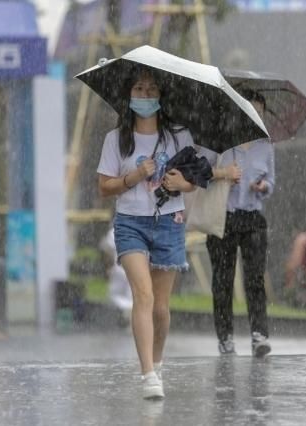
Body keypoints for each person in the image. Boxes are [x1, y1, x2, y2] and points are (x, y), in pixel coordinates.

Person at [96, 68, 197, 399]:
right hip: (130, 224)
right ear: (129, 96)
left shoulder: (178, 136)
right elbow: (104, 187)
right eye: (138, 89)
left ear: (160, 96)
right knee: (143, 295)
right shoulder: (116, 139)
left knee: (161, 308)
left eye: (151, 89)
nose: (145, 95)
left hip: (170, 221)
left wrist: (179, 183)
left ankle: (158, 360)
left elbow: (194, 179)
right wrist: (135, 175)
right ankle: (148, 375)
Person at [203, 92, 275, 358]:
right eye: (249, 111)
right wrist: (223, 175)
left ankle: (259, 335)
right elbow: (199, 171)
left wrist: (263, 186)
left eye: (260, 113)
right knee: (223, 280)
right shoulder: (219, 142)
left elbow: (272, 182)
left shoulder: (265, 146)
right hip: (223, 217)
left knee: (255, 279)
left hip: (253, 217)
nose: (255, 117)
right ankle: (225, 337)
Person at [99, 227, 133, 326]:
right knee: (130, 297)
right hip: (130, 270)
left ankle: (124, 319)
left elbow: (107, 250)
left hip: (120, 268)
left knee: (116, 295)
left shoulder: (115, 231)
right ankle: (127, 320)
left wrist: (108, 267)